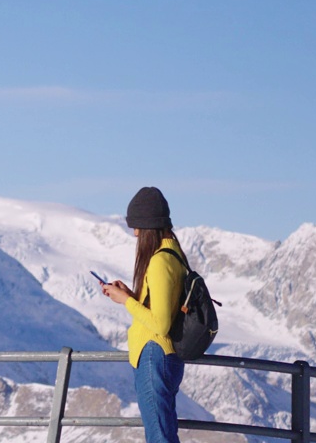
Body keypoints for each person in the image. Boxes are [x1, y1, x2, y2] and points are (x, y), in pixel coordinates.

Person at [101, 186, 188, 443]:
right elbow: (163, 307)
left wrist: (127, 300)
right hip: (165, 357)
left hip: (153, 355)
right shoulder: (175, 255)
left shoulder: (160, 261)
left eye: (137, 227)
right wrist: (134, 296)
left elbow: (160, 324)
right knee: (163, 433)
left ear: (149, 226)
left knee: (159, 437)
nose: (135, 233)